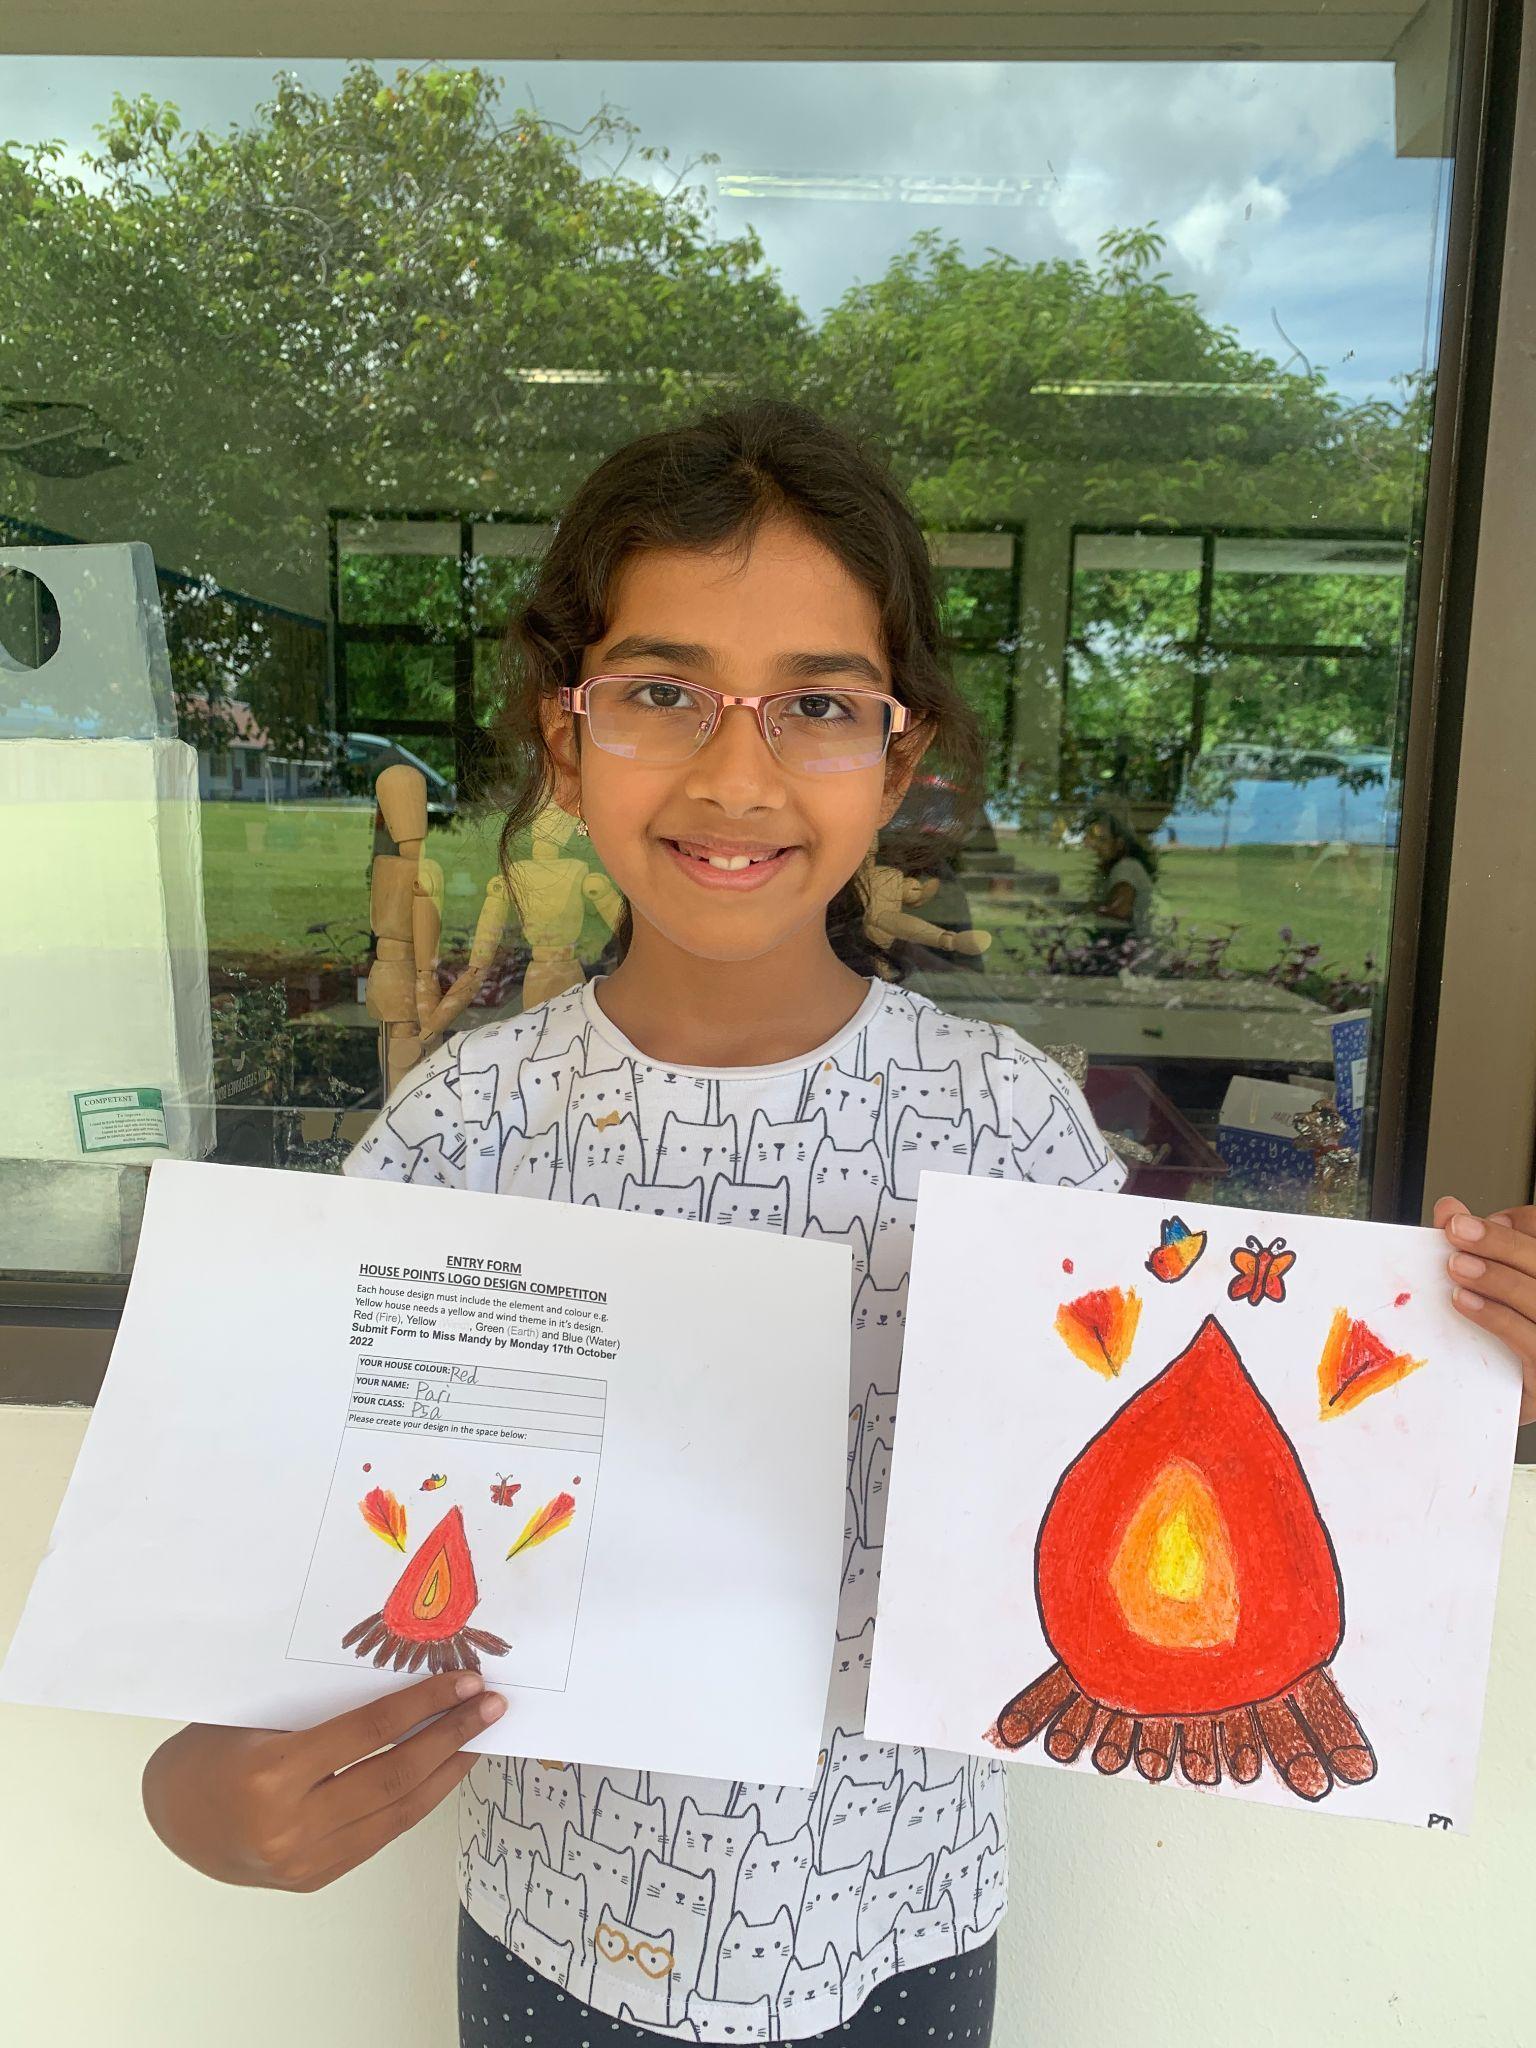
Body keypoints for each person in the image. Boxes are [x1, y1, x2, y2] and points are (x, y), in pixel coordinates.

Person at [139, 403, 1536, 2046]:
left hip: (910, 1932)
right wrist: (200, 1793)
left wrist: (1464, 1378)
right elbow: (313, 1548)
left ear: (901, 752)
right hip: (555, 1935)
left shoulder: (1005, 1122)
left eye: (815, 703)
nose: (736, 774)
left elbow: (1192, 1429)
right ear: (566, 738)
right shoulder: (462, 1129)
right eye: (661, 691)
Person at [1082, 804, 1158, 942]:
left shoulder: (1125, 868)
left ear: (1119, 844)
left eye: (1103, 840)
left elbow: (1120, 911)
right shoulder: (1121, 867)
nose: (1096, 846)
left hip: (1129, 948)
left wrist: (1082, 910)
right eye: (1095, 839)